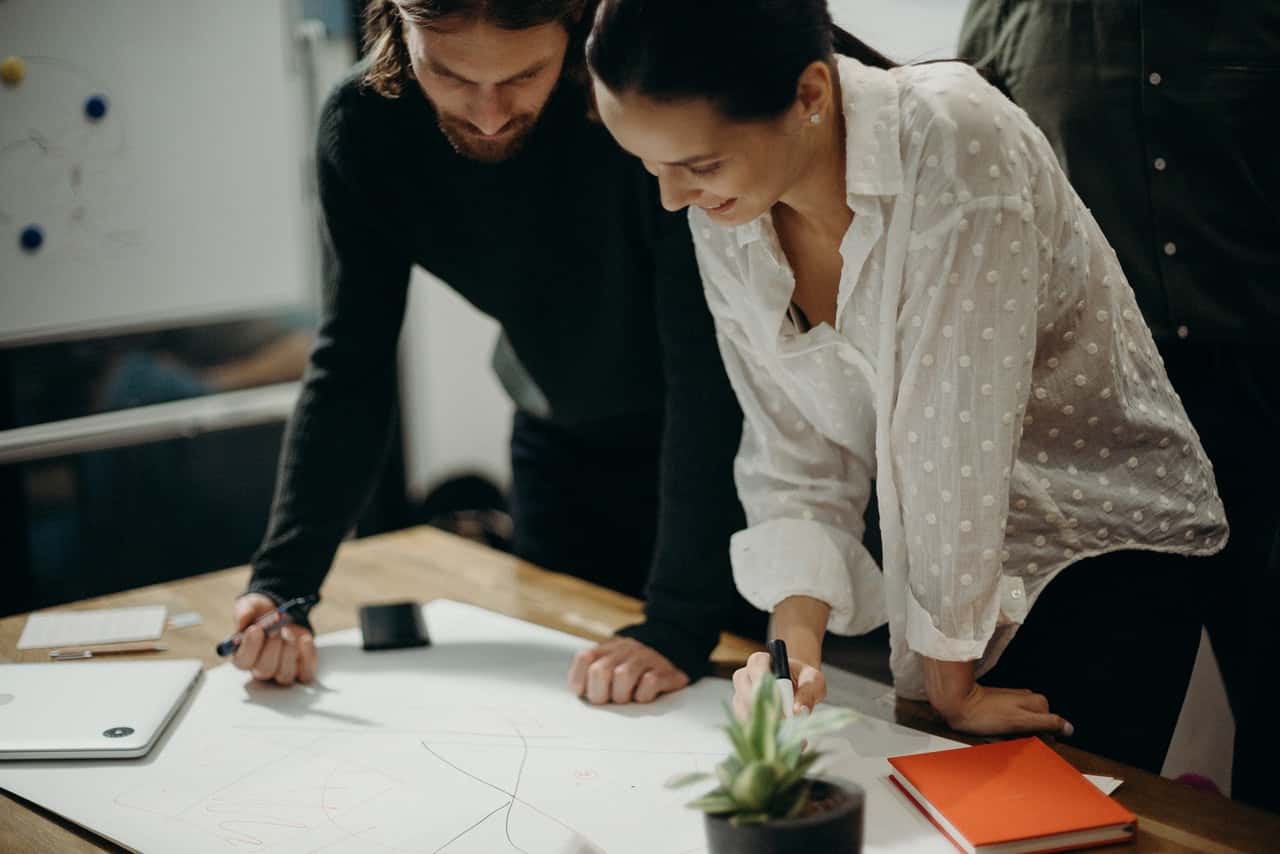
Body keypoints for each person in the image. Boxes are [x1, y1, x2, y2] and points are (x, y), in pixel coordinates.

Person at [586, 0, 1229, 772]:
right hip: (947, 584)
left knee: (1057, 816)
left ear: (810, 94)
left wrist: (948, 686)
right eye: (650, 165)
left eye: (697, 165)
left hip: (1090, 548)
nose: (671, 198)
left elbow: (952, 440)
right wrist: (790, 661)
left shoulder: (955, 139)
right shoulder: (727, 210)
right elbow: (795, 455)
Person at [230, 0, 766, 706]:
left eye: (522, 76)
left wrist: (678, 623)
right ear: (397, 25)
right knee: (560, 713)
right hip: (558, 449)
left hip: (721, 457)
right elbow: (351, 361)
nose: (487, 116)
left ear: (573, 29)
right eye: (450, 75)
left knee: (715, 714)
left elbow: (705, 372)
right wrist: (283, 584)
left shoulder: (638, 110)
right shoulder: (364, 127)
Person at [958, 0, 1279, 811]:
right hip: (1097, 423)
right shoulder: (1010, 15)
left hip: (1260, 391)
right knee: (1086, 731)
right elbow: (977, 193)